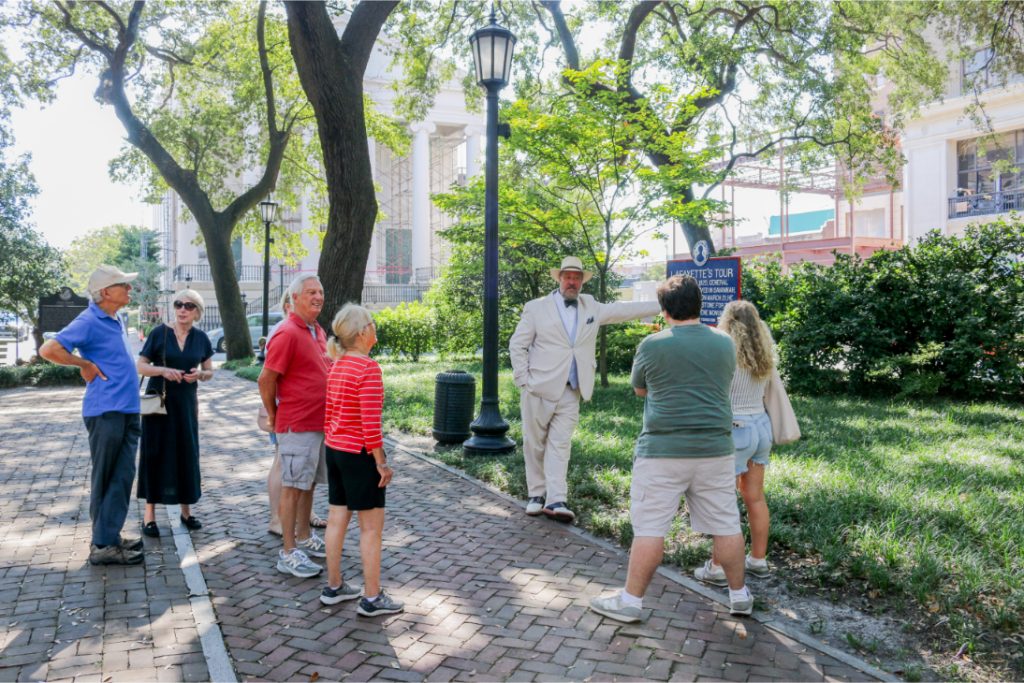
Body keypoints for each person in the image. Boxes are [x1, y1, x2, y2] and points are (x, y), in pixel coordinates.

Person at [589, 274, 754, 622]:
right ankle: (739, 596)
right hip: (715, 448)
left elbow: (640, 390)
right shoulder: (725, 343)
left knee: (650, 527)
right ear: (699, 305)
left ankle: (631, 601)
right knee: (726, 523)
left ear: (664, 310)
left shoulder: (653, 345)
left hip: (662, 450)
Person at [508, 256, 661, 522]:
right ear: (559, 279)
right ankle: (536, 494)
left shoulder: (590, 306)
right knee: (535, 444)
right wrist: (524, 381)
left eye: (577, 278)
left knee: (560, 445)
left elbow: (623, 310)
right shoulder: (536, 308)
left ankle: (556, 500)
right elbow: (517, 345)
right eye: (567, 277)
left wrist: (664, 305)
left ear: (582, 281)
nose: (572, 282)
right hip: (538, 388)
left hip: (572, 390)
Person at [39, 265, 144, 565]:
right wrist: (83, 364)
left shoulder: (115, 318)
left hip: (126, 409)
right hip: (106, 412)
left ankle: (109, 536)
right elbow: (50, 349)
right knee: (107, 476)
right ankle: (102, 545)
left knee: (122, 477)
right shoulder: (89, 319)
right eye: (123, 284)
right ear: (106, 292)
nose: (129, 289)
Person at [319, 304, 403, 617]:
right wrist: (381, 462)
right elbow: (371, 424)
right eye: (372, 322)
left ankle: (334, 585)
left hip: (335, 449)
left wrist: (333, 441)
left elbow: (328, 414)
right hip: (359, 454)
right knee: (371, 529)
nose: (375, 326)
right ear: (362, 332)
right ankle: (372, 597)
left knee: (337, 517)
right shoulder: (368, 369)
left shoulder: (337, 366)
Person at [694, 300, 775, 585]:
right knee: (755, 497)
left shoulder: (723, 349)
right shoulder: (766, 349)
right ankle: (758, 560)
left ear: (727, 320)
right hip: (762, 428)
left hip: (734, 429)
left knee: (723, 502)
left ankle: (717, 567)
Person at [258, 275, 330, 578]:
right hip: (297, 424)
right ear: (295, 297)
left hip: (319, 422)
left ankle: (303, 537)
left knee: (308, 484)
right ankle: (287, 553)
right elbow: (266, 379)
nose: (318, 297)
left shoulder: (316, 330)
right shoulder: (287, 332)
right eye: (311, 292)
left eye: (321, 292)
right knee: (292, 488)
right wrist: (274, 416)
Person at [135, 289, 214, 537]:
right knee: (155, 452)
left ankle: (186, 511)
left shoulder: (201, 338)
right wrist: (162, 371)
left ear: (197, 312)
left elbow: (210, 371)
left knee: (185, 452)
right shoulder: (159, 333)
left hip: (186, 403)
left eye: (189, 306)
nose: (182, 309)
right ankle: (150, 515)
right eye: (179, 304)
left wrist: (199, 375)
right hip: (159, 402)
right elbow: (141, 366)